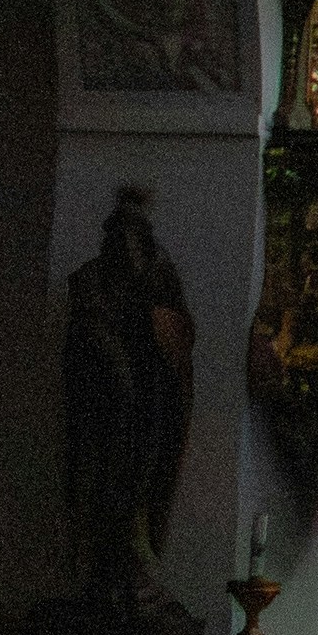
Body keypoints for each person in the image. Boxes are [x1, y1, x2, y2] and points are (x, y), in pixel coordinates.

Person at [62, 189, 195, 603]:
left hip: (146, 404)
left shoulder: (159, 277)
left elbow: (177, 336)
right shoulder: (90, 281)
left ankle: (133, 559)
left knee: (141, 480)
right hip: (102, 407)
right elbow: (87, 340)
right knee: (101, 482)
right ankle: (101, 564)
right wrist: (115, 365)